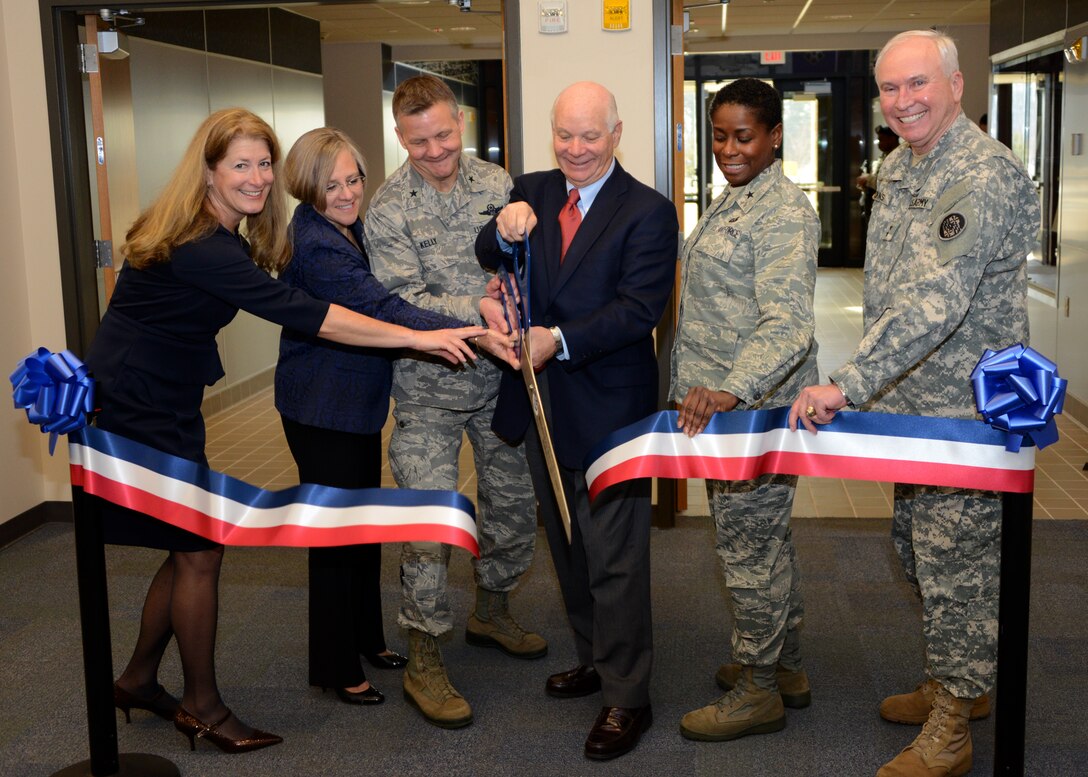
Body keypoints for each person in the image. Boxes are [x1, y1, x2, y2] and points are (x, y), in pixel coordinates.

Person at [87, 108, 491, 754]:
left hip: (166, 401)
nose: (255, 177)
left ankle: (137, 677)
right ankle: (203, 705)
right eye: (240, 164)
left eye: (263, 163)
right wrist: (423, 335)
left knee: (186, 546)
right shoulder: (202, 245)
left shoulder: (223, 234)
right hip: (136, 406)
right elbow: (310, 314)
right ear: (210, 170)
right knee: (200, 550)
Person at [788, 30, 1040, 777]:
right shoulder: (900, 166)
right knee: (918, 550)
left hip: (965, 416)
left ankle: (955, 722)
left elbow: (938, 299)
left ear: (956, 85)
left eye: (918, 84)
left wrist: (850, 382)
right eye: (891, 89)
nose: (904, 102)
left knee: (957, 561)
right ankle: (958, 679)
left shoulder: (980, 174)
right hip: (915, 412)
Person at [275, 127, 513, 708]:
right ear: (307, 187)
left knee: (360, 532)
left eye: (353, 178)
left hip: (353, 406)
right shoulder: (317, 243)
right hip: (322, 407)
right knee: (334, 538)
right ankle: (335, 665)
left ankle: (368, 641)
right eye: (330, 185)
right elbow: (382, 306)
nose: (347, 193)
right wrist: (459, 327)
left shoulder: (346, 226)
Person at [476, 81, 678, 761]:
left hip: (612, 410)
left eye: (590, 136)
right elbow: (488, 248)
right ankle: (595, 655)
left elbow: (638, 309)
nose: (576, 149)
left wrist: (555, 338)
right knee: (568, 546)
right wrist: (500, 226)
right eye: (565, 134)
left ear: (616, 133)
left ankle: (628, 695)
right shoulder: (531, 187)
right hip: (542, 405)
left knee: (615, 555)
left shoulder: (648, 212)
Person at [364, 75, 542, 729]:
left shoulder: (498, 186)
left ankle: (491, 610)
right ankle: (423, 654)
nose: (435, 151)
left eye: (443, 135)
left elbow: (526, 268)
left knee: (515, 507)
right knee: (430, 526)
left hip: (499, 383)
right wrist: (480, 307)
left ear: (459, 122)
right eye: (418, 142)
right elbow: (400, 303)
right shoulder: (385, 210)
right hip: (427, 390)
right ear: (399, 136)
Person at [669, 78, 819, 743]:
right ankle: (781, 663)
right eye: (721, 135)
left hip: (751, 409)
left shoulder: (781, 211)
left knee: (748, 545)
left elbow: (788, 326)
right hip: (728, 409)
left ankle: (759, 689)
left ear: (774, 136)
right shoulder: (739, 200)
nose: (730, 148)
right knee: (763, 536)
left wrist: (732, 388)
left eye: (744, 135)